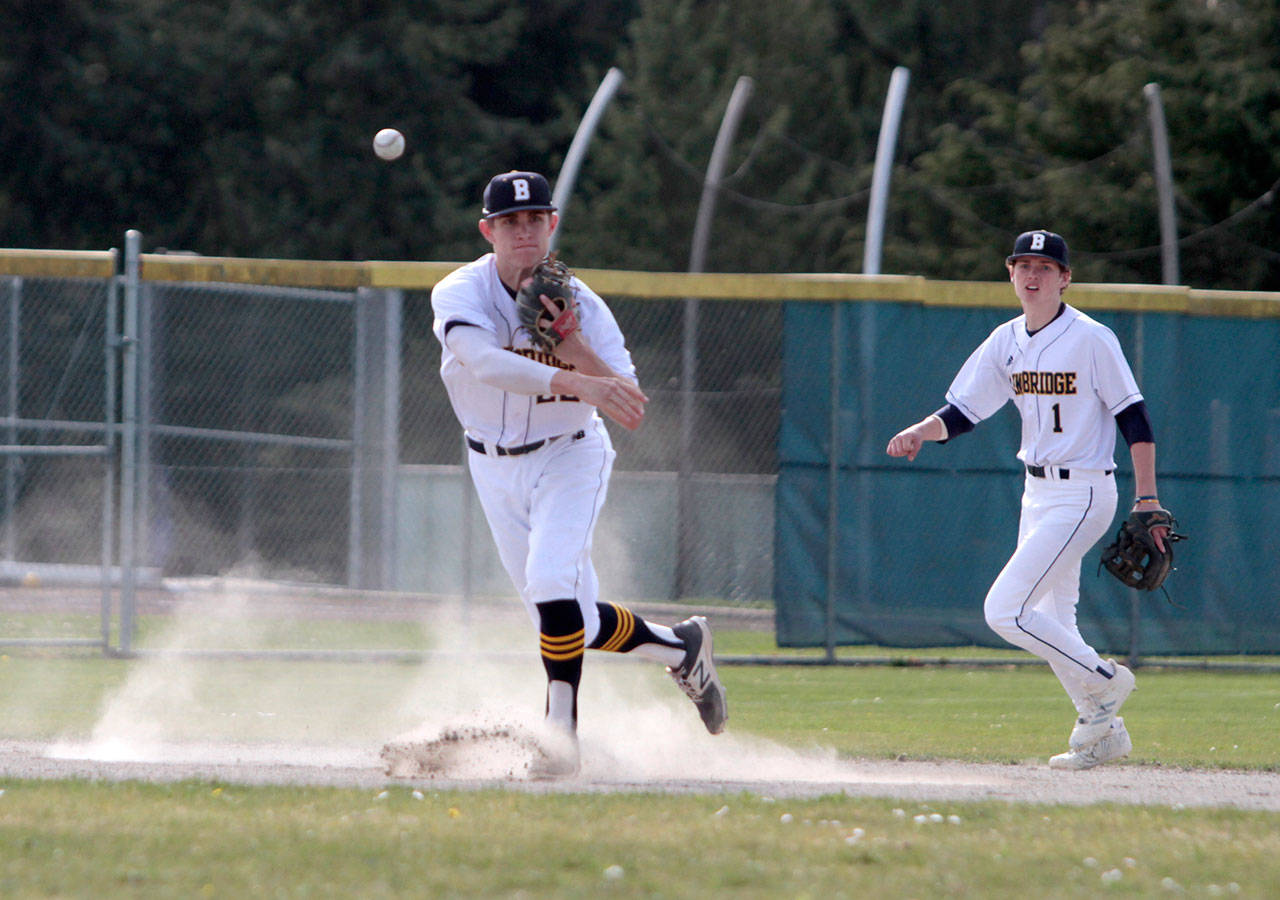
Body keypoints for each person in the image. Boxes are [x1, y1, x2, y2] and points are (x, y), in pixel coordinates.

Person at [430, 170, 728, 776]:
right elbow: (484, 362)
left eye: (535, 219)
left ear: (553, 225)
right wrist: (571, 378)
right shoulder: (459, 292)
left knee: (550, 586)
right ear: (488, 231)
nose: (524, 233)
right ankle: (681, 647)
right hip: (491, 463)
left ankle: (559, 740)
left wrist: (575, 347)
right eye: (510, 223)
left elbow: (630, 405)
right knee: (570, 617)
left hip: (570, 453)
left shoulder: (584, 307)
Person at [885, 229, 1169, 771]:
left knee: (1005, 609)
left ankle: (1107, 681)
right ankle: (1102, 731)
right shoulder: (1005, 340)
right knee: (1052, 617)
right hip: (1036, 491)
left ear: (1065, 279)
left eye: (1045, 266)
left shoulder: (1092, 338)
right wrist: (920, 432)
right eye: (1023, 265)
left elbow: (1135, 418)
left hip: (1084, 490)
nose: (1033, 275)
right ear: (1010, 274)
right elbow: (964, 412)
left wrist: (1147, 497)